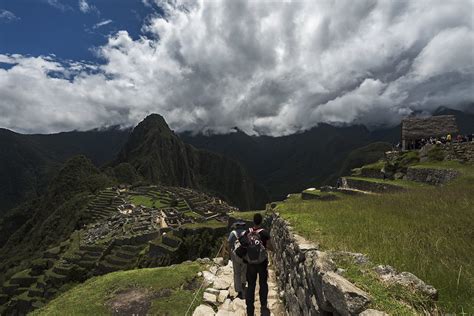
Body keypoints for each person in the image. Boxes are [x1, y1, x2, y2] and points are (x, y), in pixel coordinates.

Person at [242, 213, 272, 316]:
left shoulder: (248, 232)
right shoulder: (264, 233)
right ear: (261, 221)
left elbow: (243, 244)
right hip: (262, 263)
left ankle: (250, 309)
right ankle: (263, 304)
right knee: (263, 283)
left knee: (251, 285)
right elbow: (271, 246)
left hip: (250, 263)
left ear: (253, 221)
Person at [228, 221, 247, 299]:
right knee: (244, 271)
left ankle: (239, 291)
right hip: (245, 255)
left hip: (236, 255)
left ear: (236, 226)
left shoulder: (233, 233)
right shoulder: (246, 233)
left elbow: (229, 243)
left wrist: (230, 255)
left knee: (237, 273)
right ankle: (243, 285)